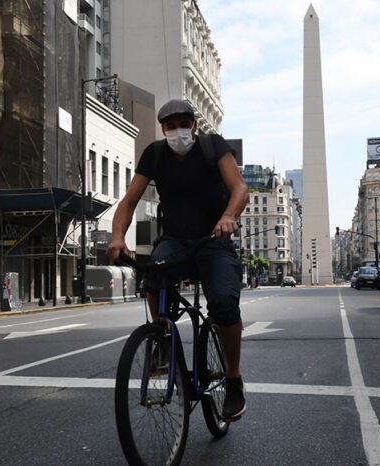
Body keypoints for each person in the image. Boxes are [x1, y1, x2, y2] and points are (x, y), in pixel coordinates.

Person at [107, 99, 249, 421]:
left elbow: (240, 188)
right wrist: (118, 237)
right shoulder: (155, 154)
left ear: (194, 126)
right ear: (163, 130)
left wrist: (228, 216)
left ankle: (234, 378)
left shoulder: (214, 146)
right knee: (153, 276)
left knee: (225, 305)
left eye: (183, 124)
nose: (177, 131)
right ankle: (161, 341)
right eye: (170, 126)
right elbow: (129, 201)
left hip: (213, 240)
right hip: (175, 241)